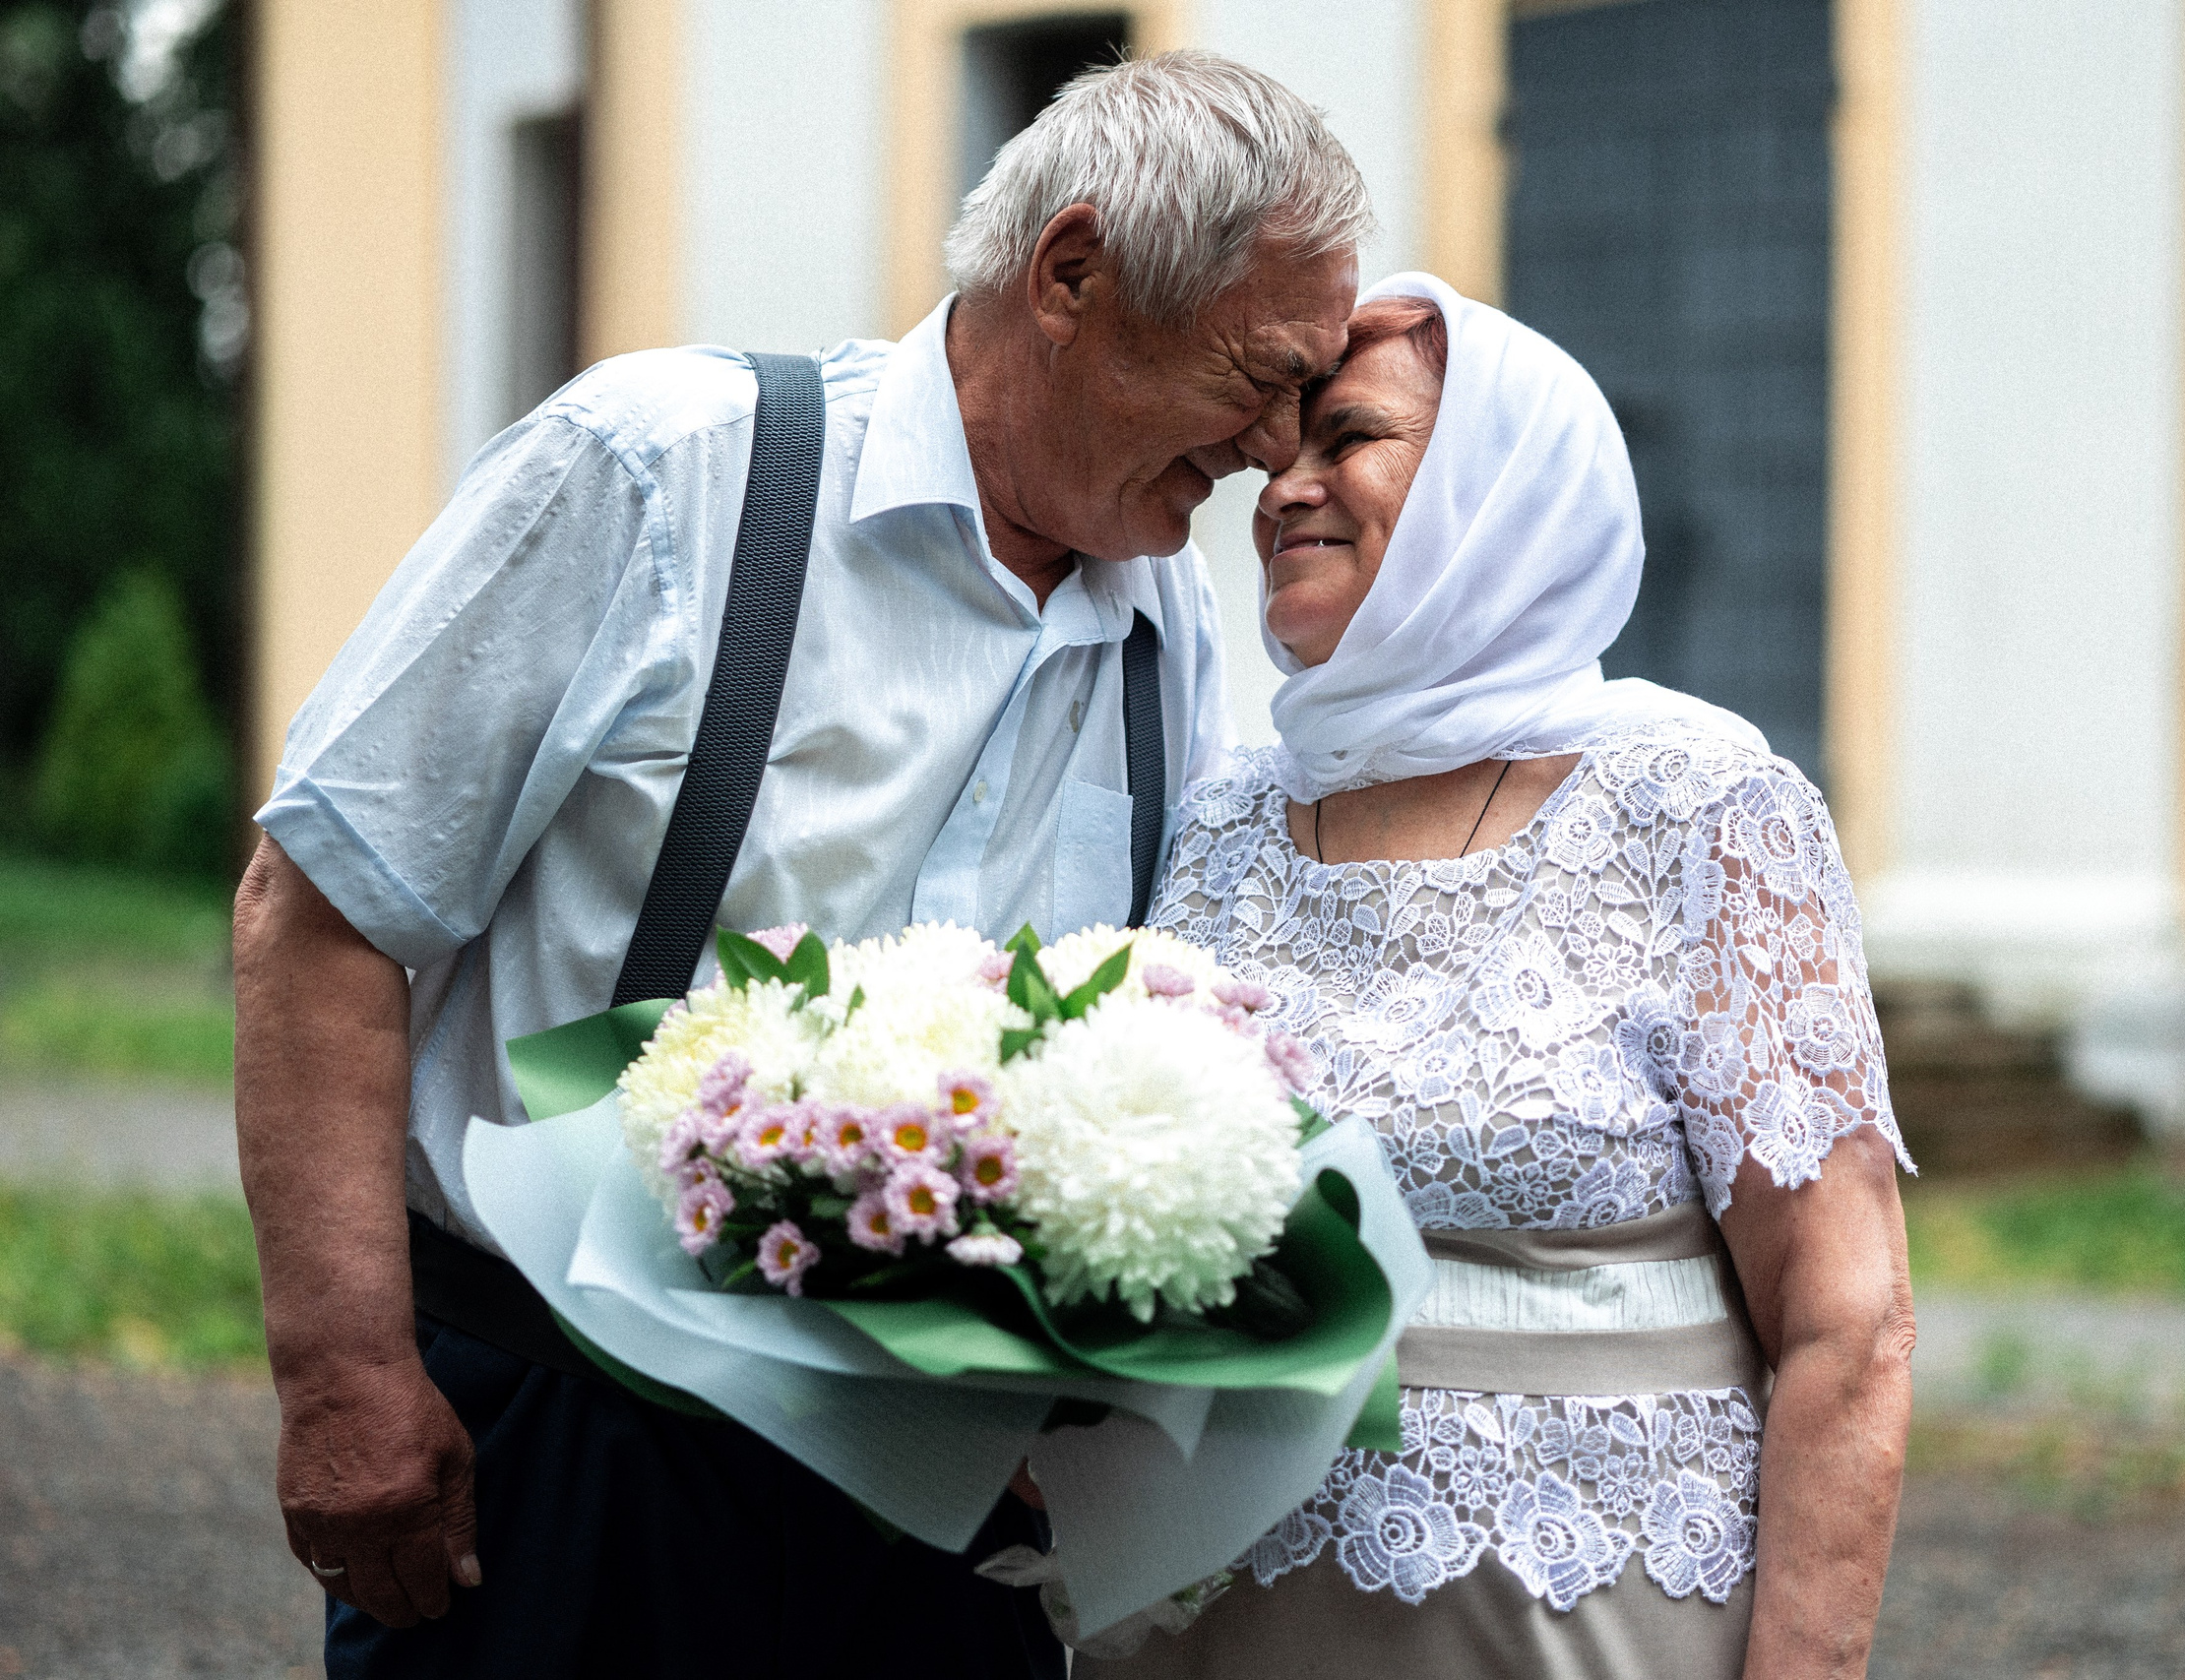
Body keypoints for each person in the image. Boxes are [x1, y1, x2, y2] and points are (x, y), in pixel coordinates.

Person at [229, 50, 1367, 1677]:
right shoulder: (661, 470)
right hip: (571, 1449)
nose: (1273, 447)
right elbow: (321, 911)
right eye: (1257, 377)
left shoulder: (1165, 619)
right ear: (1071, 272)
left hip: (947, 1515)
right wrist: (343, 1377)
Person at [1083, 276, 1917, 1680]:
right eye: (1274, 452)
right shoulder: (1222, 815)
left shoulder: (1698, 803)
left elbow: (1850, 1325)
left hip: (1584, 1622)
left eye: (1346, 439)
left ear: (1499, 484)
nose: (1282, 489)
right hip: (1225, 1619)